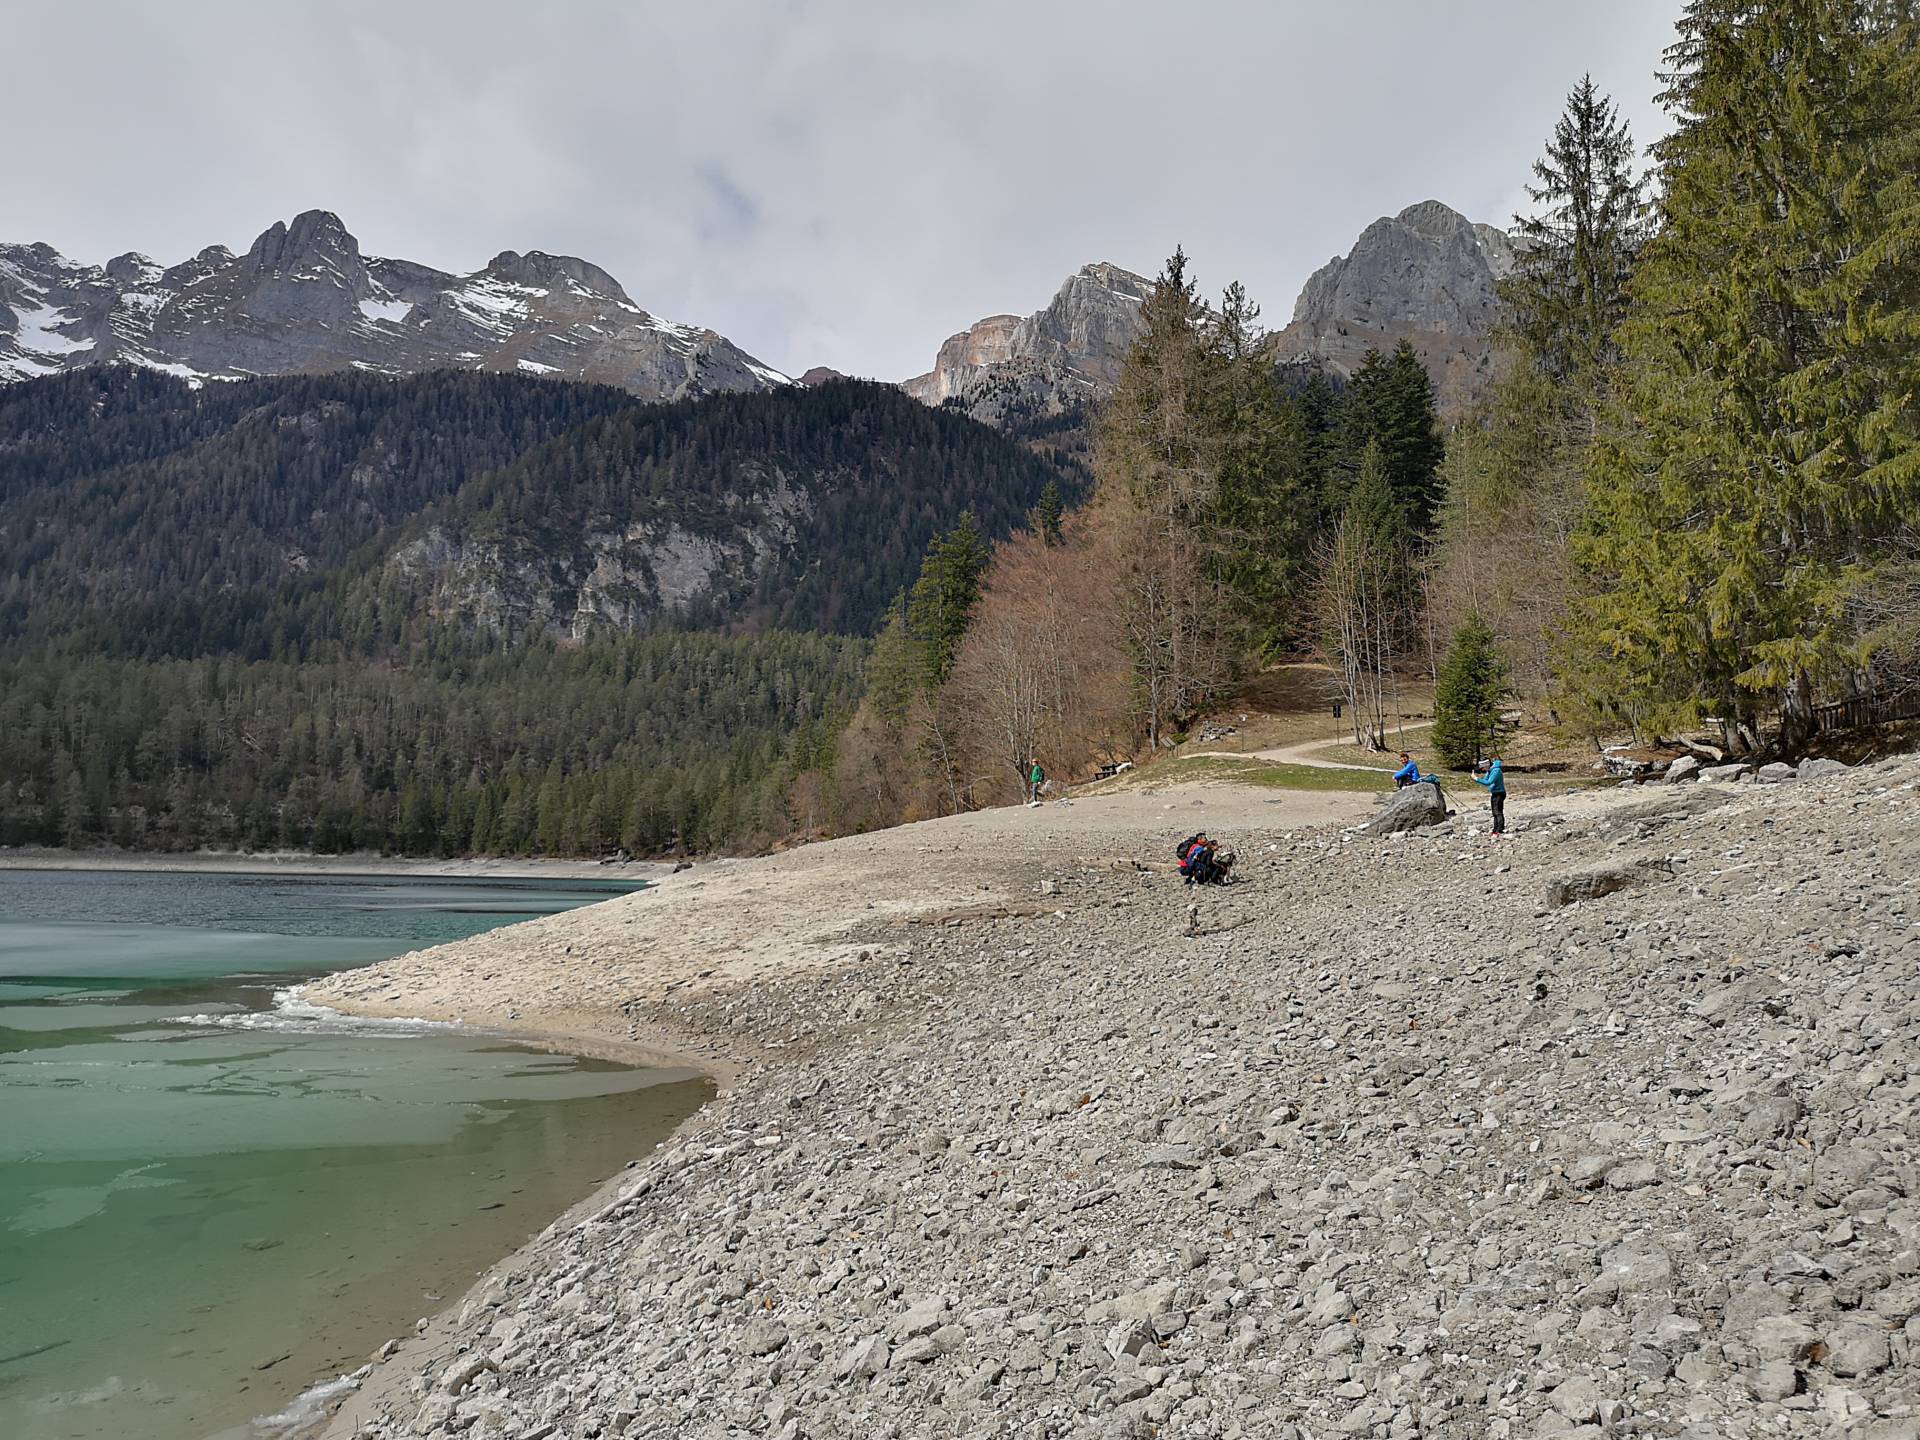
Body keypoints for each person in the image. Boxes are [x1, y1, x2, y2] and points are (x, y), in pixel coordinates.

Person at [1472, 756, 1507, 836]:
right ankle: (1495, 829)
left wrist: (1476, 779)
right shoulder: (1490, 770)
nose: (1482, 770)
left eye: (1482, 767)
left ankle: (1500, 829)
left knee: (1498, 812)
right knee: (1494, 812)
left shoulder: (1496, 770)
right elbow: (1485, 779)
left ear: (1486, 765)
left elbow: (1489, 782)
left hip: (1499, 793)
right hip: (1495, 793)